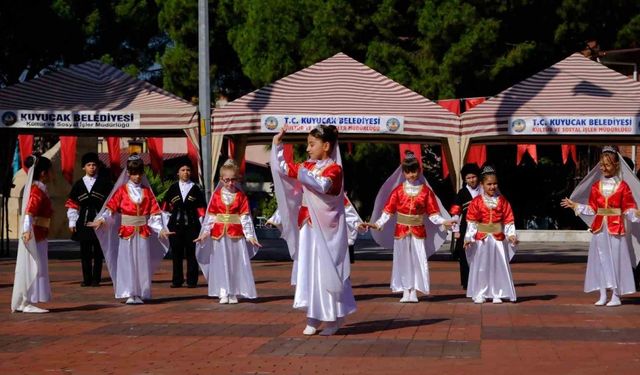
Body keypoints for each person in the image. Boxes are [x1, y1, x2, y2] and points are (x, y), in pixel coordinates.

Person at [270, 124, 356, 336]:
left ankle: (333, 317)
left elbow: (323, 186)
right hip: (307, 227)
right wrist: (277, 144)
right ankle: (313, 315)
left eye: (311, 144)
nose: (307, 149)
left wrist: (300, 171)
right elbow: (282, 168)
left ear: (326, 145)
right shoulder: (307, 166)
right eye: (307, 144)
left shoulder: (334, 170)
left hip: (327, 230)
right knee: (309, 270)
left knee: (326, 270)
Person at [366, 151, 454, 303]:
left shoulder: (426, 191)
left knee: (417, 260)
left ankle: (414, 290)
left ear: (419, 171)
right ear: (404, 173)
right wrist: (378, 223)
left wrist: (443, 221)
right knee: (402, 260)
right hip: (401, 231)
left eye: (414, 171)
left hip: (418, 231)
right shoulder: (398, 191)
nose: (412, 175)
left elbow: (433, 213)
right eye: (408, 172)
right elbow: (388, 211)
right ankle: (405, 290)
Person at [561, 146, 640, 306]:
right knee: (600, 260)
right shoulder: (596, 186)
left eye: (607, 165)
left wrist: (636, 213)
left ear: (616, 166)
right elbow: (592, 208)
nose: (604, 168)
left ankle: (616, 295)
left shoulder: (623, 187)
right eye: (602, 165)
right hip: (599, 229)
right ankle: (603, 294)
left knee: (615, 261)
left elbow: (629, 207)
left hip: (616, 229)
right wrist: (576, 205)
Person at [89, 154, 172, 304]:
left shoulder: (147, 192)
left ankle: (140, 292)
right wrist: (101, 219)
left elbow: (154, 214)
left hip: (142, 231)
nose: (137, 176)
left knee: (141, 261)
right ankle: (129, 292)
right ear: (128, 173)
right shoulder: (121, 191)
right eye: (133, 173)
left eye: (139, 173)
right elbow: (110, 210)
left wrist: (160, 229)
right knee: (127, 261)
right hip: (126, 231)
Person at [194, 159, 261, 304]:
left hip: (236, 235)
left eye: (233, 180)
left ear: (237, 179)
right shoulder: (216, 196)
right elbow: (211, 217)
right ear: (221, 179)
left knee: (235, 262)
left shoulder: (241, 196)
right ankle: (223, 291)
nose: (230, 183)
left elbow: (245, 217)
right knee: (220, 262)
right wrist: (204, 233)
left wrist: (250, 236)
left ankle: (234, 291)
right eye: (227, 180)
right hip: (219, 235)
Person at [464, 165, 518, 304]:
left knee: (498, 266)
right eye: (489, 184)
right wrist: (469, 237)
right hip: (482, 239)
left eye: (495, 184)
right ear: (482, 184)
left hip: (498, 239)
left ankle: (497, 292)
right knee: (482, 266)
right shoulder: (476, 202)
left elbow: (508, 220)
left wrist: (511, 235)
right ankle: (480, 292)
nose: (492, 187)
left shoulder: (503, 201)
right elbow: (472, 222)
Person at [11, 155, 53, 313]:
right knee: (32, 265)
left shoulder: (40, 188)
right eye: (50, 171)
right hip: (35, 234)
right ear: (43, 173)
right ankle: (26, 300)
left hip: (39, 233)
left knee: (37, 265)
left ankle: (28, 299)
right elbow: (29, 211)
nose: (51, 174)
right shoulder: (37, 191)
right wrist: (27, 231)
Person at [65, 152, 113, 287]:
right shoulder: (78, 185)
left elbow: (110, 204)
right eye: (89, 165)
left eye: (94, 165)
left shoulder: (105, 183)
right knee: (85, 251)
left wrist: (104, 219)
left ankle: (96, 279)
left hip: (99, 220)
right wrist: (72, 221)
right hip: (84, 220)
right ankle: (86, 279)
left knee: (98, 252)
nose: (92, 167)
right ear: (83, 167)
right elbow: (73, 204)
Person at [162, 158, 206, 288]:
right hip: (175, 227)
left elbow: (202, 210)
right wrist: (164, 227)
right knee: (176, 254)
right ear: (178, 173)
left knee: (192, 254)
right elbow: (165, 209)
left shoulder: (196, 188)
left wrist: (203, 229)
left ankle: (192, 281)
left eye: (188, 170)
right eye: (183, 170)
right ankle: (177, 280)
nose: (185, 172)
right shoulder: (172, 188)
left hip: (192, 226)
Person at [449, 163, 482, 290]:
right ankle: (467, 282)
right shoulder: (462, 193)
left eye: (474, 177)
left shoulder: (483, 190)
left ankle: (480, 280)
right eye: (468, 178)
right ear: (464, 179)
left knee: (480, 253)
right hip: (465, 228)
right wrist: (455, 230)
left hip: (482, 226)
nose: (472, 180)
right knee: (465, 255)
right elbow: (455, 212)